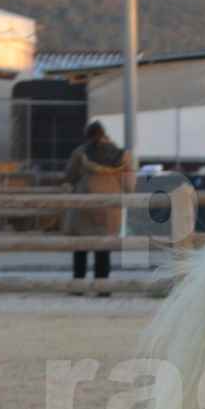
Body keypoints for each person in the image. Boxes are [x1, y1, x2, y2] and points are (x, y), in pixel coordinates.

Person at [62, 122, 136, 294]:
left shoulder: (80, 153)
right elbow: (129, 185)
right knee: (103, 249)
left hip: (84, 206)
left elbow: (69, 176)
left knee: (80, 248)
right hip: (109, 207)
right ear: (105, 134)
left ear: (88, 135)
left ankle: (78, 287)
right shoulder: (122, 155)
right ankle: (103, 288)